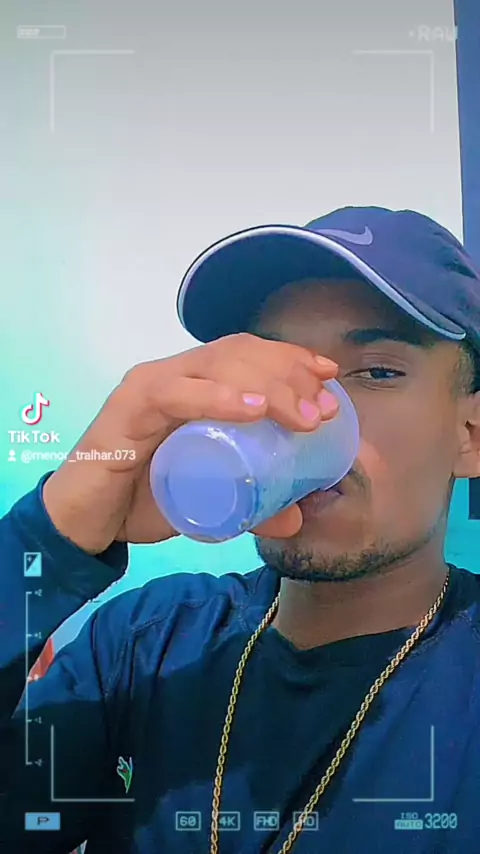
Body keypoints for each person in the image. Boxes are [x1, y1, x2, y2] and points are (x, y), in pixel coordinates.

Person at [2, 205, 480, 854]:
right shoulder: (145, 647)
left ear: (469, 433)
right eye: (273, 369)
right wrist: (52, 536)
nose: (305, 413)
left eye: (376, 372)